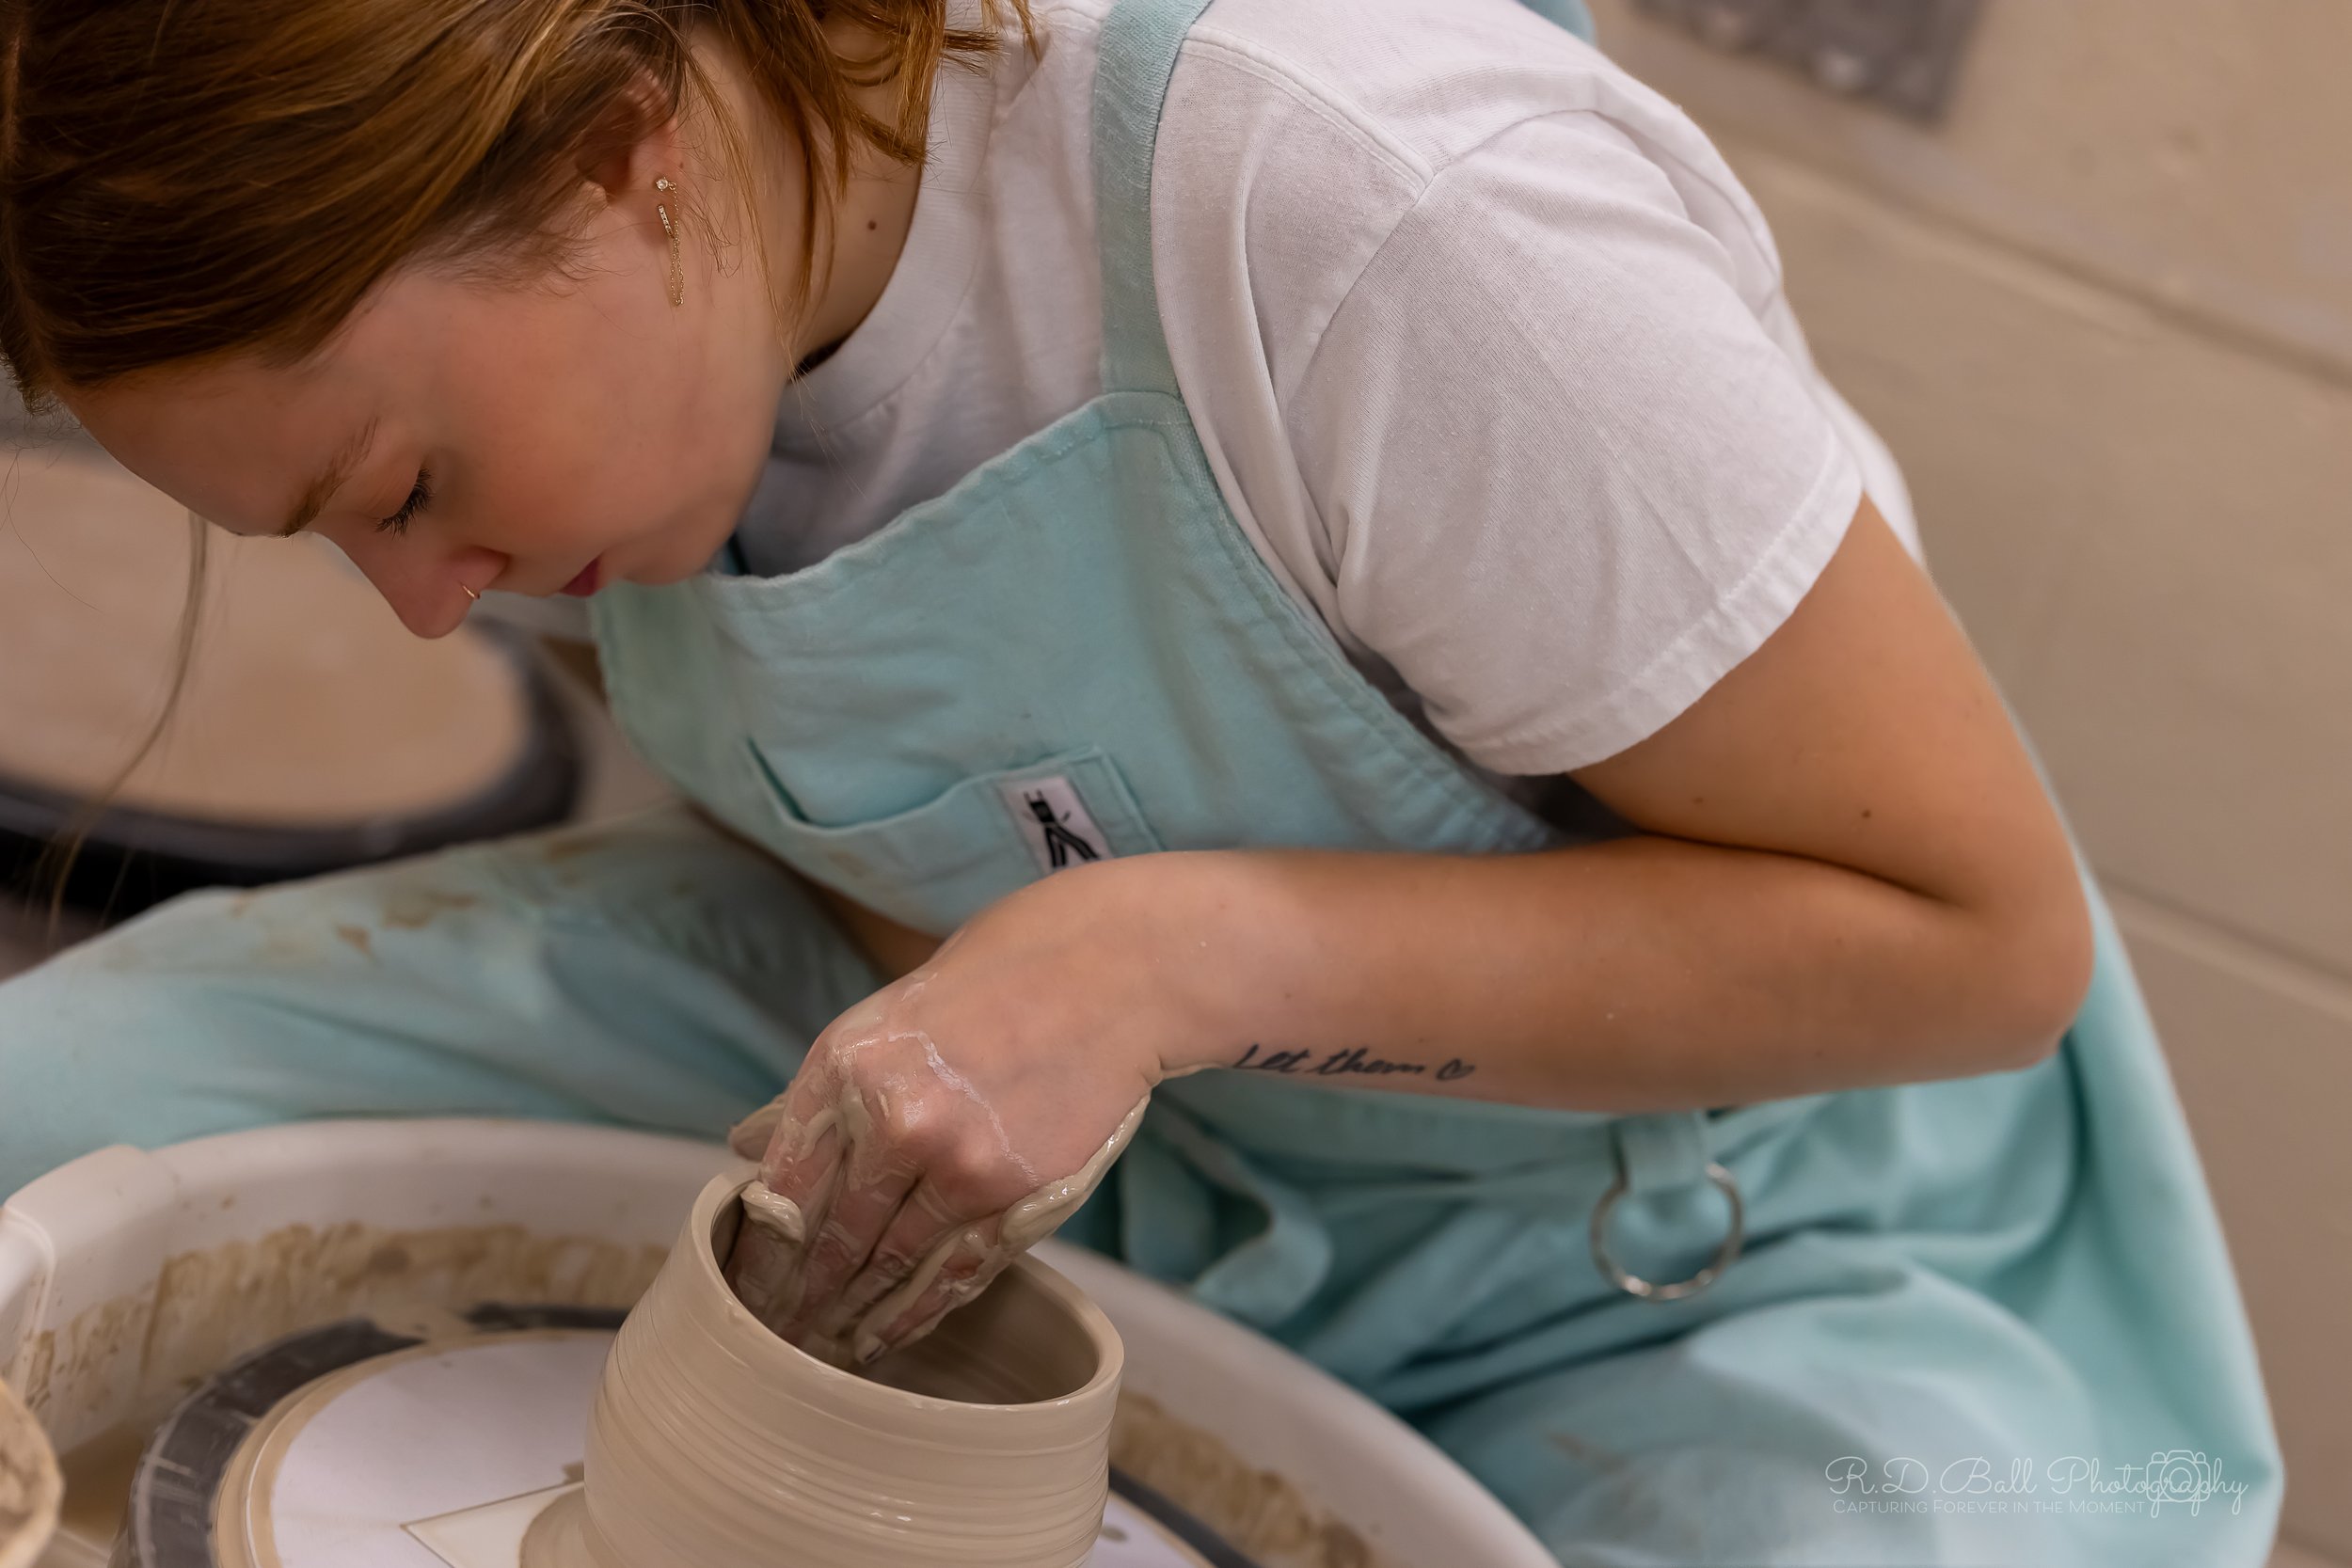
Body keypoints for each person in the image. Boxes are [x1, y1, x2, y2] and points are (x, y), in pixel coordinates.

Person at [0, 0, 2281, 1560]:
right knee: (54, 1115)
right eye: (336, 531)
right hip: (1054, 1093)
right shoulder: (625, 359)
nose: (429, 600)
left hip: (1688, 1216)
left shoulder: (1361, 205)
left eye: (410, 485)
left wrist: (1161, 950)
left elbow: (1975, 948)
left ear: (626, 152)